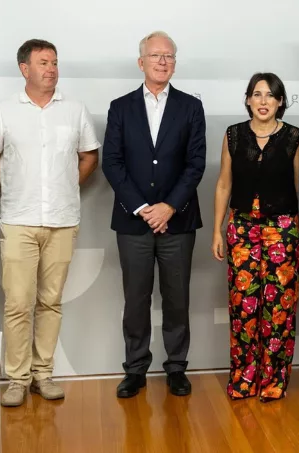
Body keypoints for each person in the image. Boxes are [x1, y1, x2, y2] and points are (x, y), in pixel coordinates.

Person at [0, 39, 101, 407]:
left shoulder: (75, 110)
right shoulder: (4, 110)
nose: (51, 69)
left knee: (50, 302)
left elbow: (89, 156)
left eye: (54, 62)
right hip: (19, 220)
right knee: (18, 303)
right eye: (43, 62)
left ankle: (42, 374)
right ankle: (17, 379)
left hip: (63, 220)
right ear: (24, 69)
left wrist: (66, 187)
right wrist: (13, 188)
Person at [102, 31, 206, 399]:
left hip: (178, 220)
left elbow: (195, 164)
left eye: (169, 56)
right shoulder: (120, 107)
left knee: (177, 299)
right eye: (156, 55)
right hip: (134, 221)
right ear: (141, 62)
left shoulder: (191, 107)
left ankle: (176, 367)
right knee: (136, 300)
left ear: (174, 63)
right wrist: (143, 208)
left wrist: (169, 206)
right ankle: (135, 370)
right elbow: (112, 162)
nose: (163, 62)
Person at [211, 73, 299, 402]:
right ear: (248, 100)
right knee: (243, 306)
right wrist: (217, 230)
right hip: (241, 229)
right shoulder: (233, 135)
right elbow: (224, 184)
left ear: (280, 102)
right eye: (257, 94)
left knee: (279, 307)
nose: (263, 101)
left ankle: (274, 379)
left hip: (283, 229)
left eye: (271, 95)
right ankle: (244, 377)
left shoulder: (294, 137)